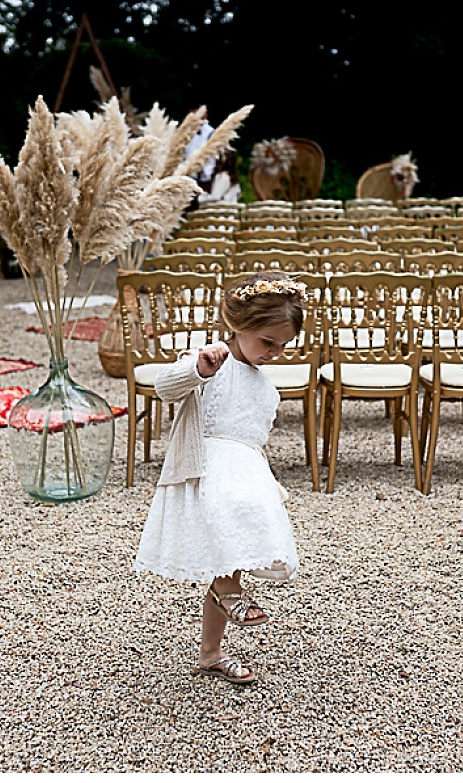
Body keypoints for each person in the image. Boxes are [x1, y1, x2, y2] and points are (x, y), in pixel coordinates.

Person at [134, 272, 305, 686]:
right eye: (268, 342)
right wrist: (198, 368)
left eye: (283, 346)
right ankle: (229, 595)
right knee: (230, 528)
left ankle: (211, 651)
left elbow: (253, 440)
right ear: (239, 325)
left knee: (231, 558)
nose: (275, 353)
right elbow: (164, 386)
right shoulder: (213, 361)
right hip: (208, 468)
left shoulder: (266, 387)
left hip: (245, 471)